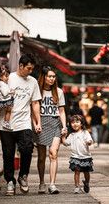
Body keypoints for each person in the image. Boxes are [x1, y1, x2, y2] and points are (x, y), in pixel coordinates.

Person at [0, 53, 42, 196]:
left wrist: (37, 123)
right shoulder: (8, 78)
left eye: (32, 69)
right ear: (21, 66)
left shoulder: (33, 82)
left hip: (24, 123)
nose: (30, 72)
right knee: (8, 154)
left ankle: (23, 175)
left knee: (27, 149)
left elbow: (35, 103)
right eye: (28, 68)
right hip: (6, 124)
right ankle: (10, 182)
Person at [32, 66, 67, 194]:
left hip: (55, 123)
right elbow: (33, 111)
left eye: (53, 76)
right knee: (41, 157)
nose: (52, 79)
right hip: (42, 124)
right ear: (44, 77)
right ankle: (42, 182)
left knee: (53, 153)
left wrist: (64, 126)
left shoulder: (59, 92)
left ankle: (52, 184)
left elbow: (62, 111)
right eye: (49, 76)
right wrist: (35, 124)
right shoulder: (37, 92)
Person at [61, 115, 94, 194]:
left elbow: (90, 140)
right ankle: (77, 186)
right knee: (77, 171)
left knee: (86, 172)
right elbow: (66, 143)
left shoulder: (85, 133)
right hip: (75, 156)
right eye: (73, 123)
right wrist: (63, 137)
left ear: (81, 123)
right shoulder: (71, 135)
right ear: (70, 125)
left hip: (86, 156)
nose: (75, 124)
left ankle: (86, 182)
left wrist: (89, 142)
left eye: (77, 122)